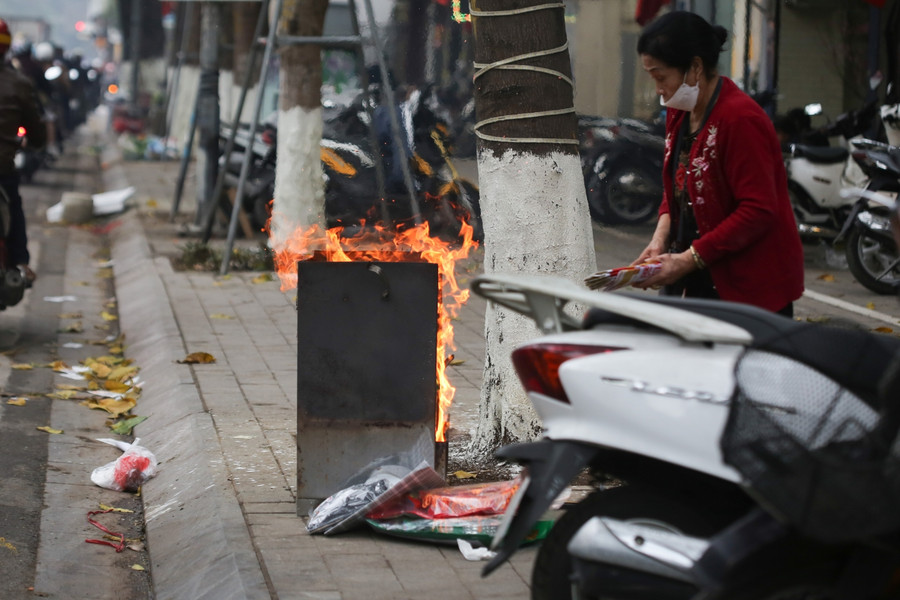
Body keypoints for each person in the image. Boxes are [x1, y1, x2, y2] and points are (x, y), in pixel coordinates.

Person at [632, 11, 803, 316]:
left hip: (747, 288)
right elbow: (678, 186)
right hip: (695, 277)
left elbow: (758, 210)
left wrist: (687, 260)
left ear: (695, 67)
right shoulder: (680, 112)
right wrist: (660, 240)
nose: (658, 89)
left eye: (661, 77)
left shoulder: (740, 119)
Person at [0, 18, 46, 285]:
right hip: (3, 170)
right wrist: (36, 142)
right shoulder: (18, 83)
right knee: (13, 206)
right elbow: (37, 132)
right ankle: (20, 263)